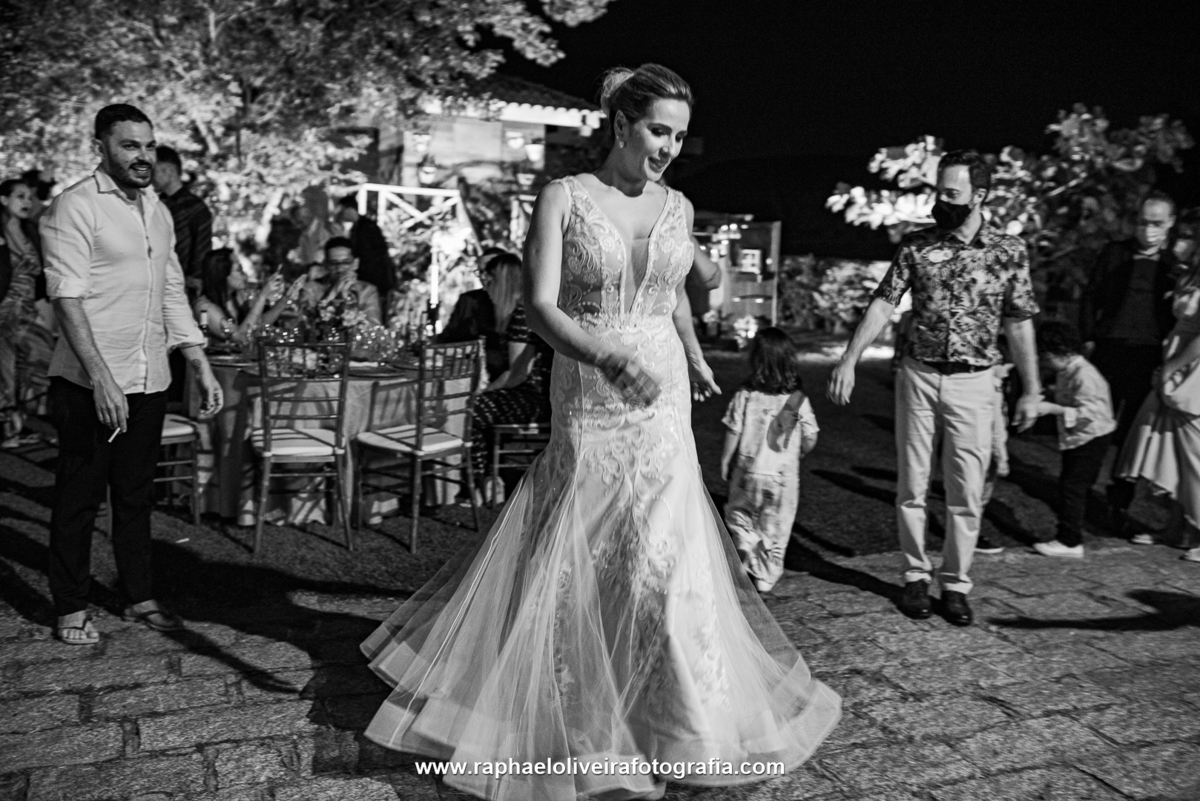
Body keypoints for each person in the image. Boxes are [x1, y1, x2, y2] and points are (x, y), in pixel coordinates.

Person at [360, 64, 841, 799]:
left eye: (679, 135)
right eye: (657, 130)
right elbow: (544, 307)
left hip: (663, 399)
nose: (669, 148)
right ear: (620, 125)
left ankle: (681, 723)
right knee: (586, 550)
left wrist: (690, 347)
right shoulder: (563, 198)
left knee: (668, 559)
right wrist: (607, 354)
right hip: (590, 388)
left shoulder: (678, 204)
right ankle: (566, 707)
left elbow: (680, 286)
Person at [827, 149, 1042, 627]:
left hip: (976, 381)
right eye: (937, 190)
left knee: (967, 491)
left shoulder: (1008, 251)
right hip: (919, 375)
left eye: (951, 193)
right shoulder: (917, 246)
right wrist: (849, 358)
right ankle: (914, 577)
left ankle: (956, 584)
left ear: (979, 195)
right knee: (912, 485)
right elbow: (884, 302)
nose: (939, 201)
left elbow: (1021, 322)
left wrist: (1032, 388)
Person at [41, 104, 223, 645]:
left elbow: (171, 291)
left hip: (150, 379)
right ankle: (70, 606)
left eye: (147, 145)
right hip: (88, 383)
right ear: (101, 147)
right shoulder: (74, 207)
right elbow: (66, 296)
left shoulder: (157, 210)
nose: (142, 156)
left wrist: (199, 362)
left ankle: (138, 592)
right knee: (79, 498)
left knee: (135, 495)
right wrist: (101, 378)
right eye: (129, 145)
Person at [1081, 191, 1181, 532]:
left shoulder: (1174, 265)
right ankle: (1079, 493)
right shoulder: (1116, 253)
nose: (1147, 229)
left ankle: (1118, 502)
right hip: (1109, 348)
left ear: (1169, 225)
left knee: (1132, 435)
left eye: (1156, 223)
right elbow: (1090, 294)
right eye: (1142, 221)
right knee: (1094, 423)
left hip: (1148, 354)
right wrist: (1089, 338)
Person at [720, 327, 818, 593]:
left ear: (755, 361)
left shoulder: (746, 394)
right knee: (776, 528)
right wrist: (800, 450)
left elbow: (733, 429)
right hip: (782, 479)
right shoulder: (798, 400)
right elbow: (810, 436)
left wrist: (726, 459)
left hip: (747, 470)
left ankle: (745, 539)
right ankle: (765, 576)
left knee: (739, 513)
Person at [1115, 258, 1200, 562]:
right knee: (1171, 449)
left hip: (1191, 369)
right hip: (1176, 362)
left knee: (1194, 455)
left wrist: (1171, 368)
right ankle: (1176, 528)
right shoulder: (1189, 273)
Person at [466, 253, 555, 498]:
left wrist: (485, 391)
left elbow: (517, 374)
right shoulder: (529, 310)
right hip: (545, 396)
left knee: (471, 409)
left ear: (502, 282)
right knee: (479, 407)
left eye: (490, 280)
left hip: (534, 400)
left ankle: (482, 485)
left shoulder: (521, 315)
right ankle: (487, 481)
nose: (487, 287)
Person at [1031, 321, 1116, 558]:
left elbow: (1090, 413)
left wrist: (1052, 408)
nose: (1041, 362)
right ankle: (1068, 536)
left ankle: (1070, 540)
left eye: (1044, 357)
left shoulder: (1084, 375)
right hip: (1082, 436)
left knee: (1073, 488)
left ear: (1059, 352)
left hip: (1091, 437)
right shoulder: (1068, 370)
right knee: (1071, 486)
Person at [0, 178, 46, 448]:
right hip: (4, 310)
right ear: (3, 200)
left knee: (37, 360)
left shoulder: (31, 231)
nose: (27, 202)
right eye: (20, 196)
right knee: (5, 370)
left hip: (27, 310)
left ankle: (16, 423)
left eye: (30, 197)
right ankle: (9, 432)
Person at [192, 248, 289, 346]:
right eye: (240, 270)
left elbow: (259, 324)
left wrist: (286, 298)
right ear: (222, 274)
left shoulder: (237, 296)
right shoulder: (204, 307)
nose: (245, 275)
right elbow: (240, 338)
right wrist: (262, 296)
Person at [152, 145, 212, 299]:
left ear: (170, 171)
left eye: (154, 171)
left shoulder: (195, 208)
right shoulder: (155, 205)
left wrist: (193, 280)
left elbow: (202, 249)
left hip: (182, 289)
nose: (150, 177)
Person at [334, 194, 394, 299]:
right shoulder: (358, 228)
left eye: (342, 211)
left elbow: (372, 258)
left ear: (350, 209)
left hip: (374, 281)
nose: (341, 216)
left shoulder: (367, 228)